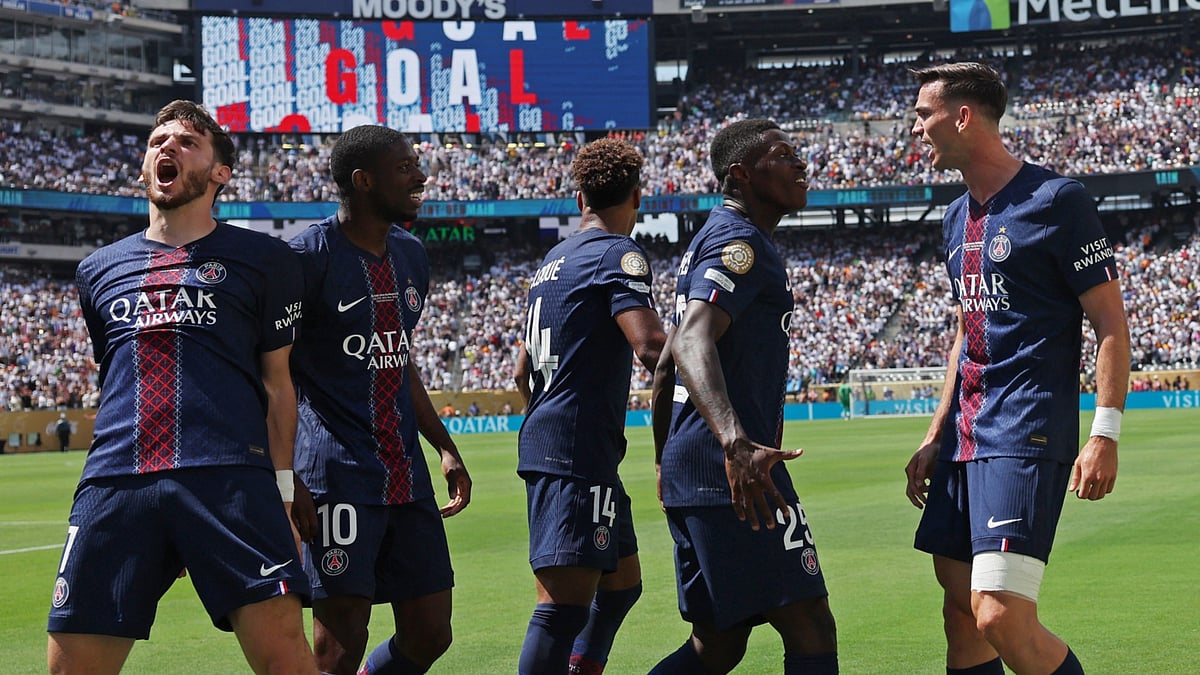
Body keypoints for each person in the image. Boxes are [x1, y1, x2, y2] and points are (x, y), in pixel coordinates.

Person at [48, 100, 316, 674]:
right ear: (145, 168)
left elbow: (277, 387)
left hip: (230, 482)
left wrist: (286, 493)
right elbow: (116, 377)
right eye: (157, 141)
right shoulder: (97, 269)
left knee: (287, 661)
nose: (166, 147)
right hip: (116, 483)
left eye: (187, 142)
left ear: (221, 172)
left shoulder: (265, 258)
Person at [903, 62, 1131, 675]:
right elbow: (965, 330)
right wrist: (935, 433)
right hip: (963, 439)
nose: (916, 126)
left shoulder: (1058, 200)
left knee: (1000, 615)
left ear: (963, 116)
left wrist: (1104, 432)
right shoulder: (955, 218)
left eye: (924, 114)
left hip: (1023, 429)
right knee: (959, 610)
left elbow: (1110, 321)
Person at [649, 118, 838, 675]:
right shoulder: (741, 243)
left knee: (720, 640)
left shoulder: (710, 237)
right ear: (742, 174)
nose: (801, 164)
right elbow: (686, 340)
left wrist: (664, 459)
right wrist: (734, 443)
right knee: (810, 624)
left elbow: (665, 366)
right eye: (784, 155)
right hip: (734, 465)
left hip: (695, 464)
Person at [288, 124, 471, 675]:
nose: (421, 175)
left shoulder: (413, 255)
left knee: (431, 631)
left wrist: (443, 444)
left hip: (405, 474)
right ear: (363, 181)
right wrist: (284, 478)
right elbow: (268, 374)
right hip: (334, 474)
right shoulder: (306, 257)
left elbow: (399, 359)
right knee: (340, 639)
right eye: (405, 168)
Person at [513, 138, 665, 675]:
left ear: (580, 197)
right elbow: (650, 348)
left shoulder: (553, 260)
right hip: (573, 452)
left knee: (622, 584)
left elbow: (519, 369)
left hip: (571, 445)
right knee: (560, 609)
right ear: (637, 197)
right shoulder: (619, 254)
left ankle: (583, 667)